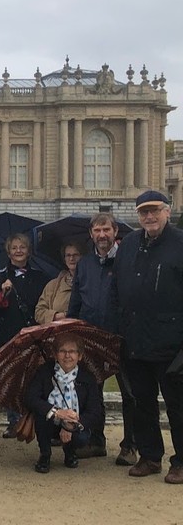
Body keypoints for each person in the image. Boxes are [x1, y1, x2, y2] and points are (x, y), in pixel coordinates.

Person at [111, 190, 183, 484]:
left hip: (171, 342)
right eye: (143, 212)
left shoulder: (180, 243)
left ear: (168, 211)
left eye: (154, 211)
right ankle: (151, 455)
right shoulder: (129, 244)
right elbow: (116, 288)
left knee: (178, 405)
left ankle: (180, 461)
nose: (149, 217)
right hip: (135, 339)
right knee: (142, 402)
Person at [69, 212, 135, 464]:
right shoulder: (85, 264)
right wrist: (72, 329)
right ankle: (96, 440)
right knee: (92, 392)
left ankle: (130, 445)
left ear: (115, 232)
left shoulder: (127, 261)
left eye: (106, 230)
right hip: (91, 338)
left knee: (130, 393)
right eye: (97, 231)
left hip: (122, 337)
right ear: (91, 234)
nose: (102, 235)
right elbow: (76, 300)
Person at [0, 232, 51, 437]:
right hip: (8, 335)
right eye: (14, 247)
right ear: (8, 252)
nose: (18, 251)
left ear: (29, 251)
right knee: (11, 380)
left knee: (35, 379)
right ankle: (14, 422)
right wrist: (1, 294)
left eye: (22, 247)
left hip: (34, 334)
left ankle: (34, 419)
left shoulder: (40, 277)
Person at [25, 335, 104, 473]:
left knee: (81, 437)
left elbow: (95, 411)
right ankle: (45, 454)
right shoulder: (45, 372)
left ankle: (70, 452)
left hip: (75, 422)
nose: (67, 355)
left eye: (72, 351)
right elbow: (31, 398)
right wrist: (57, 412)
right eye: (62, 351)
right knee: (41, 417)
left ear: (79, 356)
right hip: (50, 421)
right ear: (55, 354)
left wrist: (72, 424)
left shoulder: (88, 378)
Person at [35, 244, 82, 325]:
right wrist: (56, 316)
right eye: (68, 255)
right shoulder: (53, 285)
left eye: (75, 255)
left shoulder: (91, 282)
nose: (71, 258)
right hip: (58, 334)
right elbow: (39, 313)